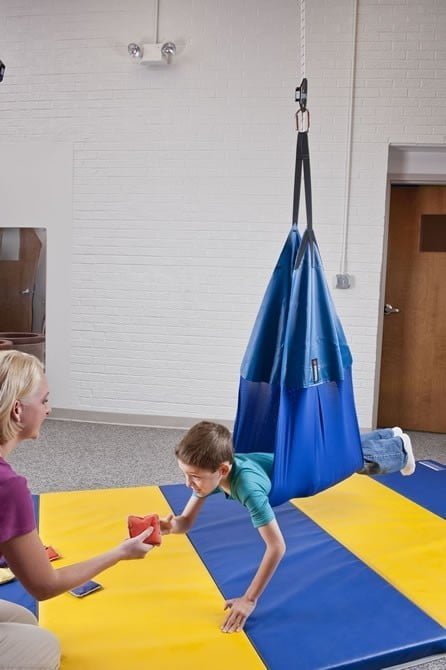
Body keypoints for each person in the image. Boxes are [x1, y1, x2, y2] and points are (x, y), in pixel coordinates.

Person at [160, 420, 415, 634]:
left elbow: (277, 547)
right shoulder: (211, 476)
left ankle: (399, 450)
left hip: (307, 472)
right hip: (293, 459)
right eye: (185, 474)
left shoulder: (248, 489)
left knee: (349, 462)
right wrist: (169, 526)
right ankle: (388, 435)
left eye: (194, 477)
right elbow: (186, 522)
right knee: (339, 452)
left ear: (223, 469)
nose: (188, 483)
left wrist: (249, 599)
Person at [0, 350, 155, 670]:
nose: (49, 409)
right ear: (17, 410)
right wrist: (120, 553)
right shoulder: (8, 487)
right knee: (43, 647)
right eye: (44, 401)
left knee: (23, 620)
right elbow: (44, 587)